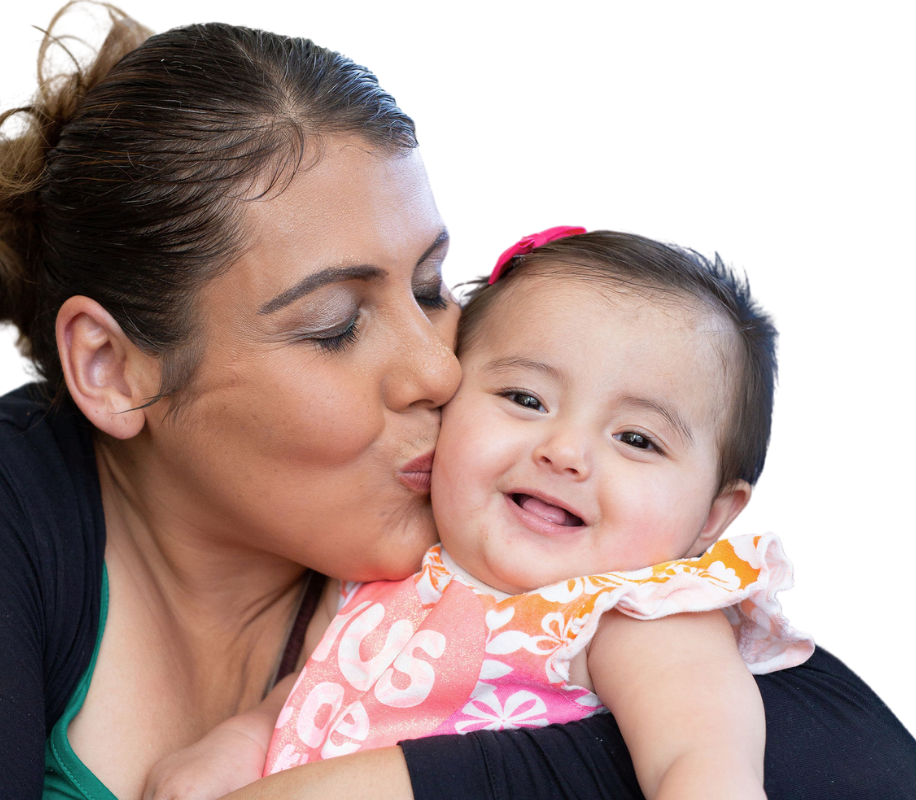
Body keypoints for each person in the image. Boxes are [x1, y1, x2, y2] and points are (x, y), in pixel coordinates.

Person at [0, 4, 913, 800]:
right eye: (336, 324)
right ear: (112, 366)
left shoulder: (519, 548)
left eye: (436, 285)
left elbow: (850, 755)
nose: (442, 370)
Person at [140, 226, 813, 800]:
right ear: (447, 399)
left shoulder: (630, 615)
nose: (564, 452)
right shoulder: (395, 558)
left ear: (711, 517)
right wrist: (238, 742)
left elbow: (702, 761)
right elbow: (311, 686)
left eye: (636, 439)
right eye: (524, 398)